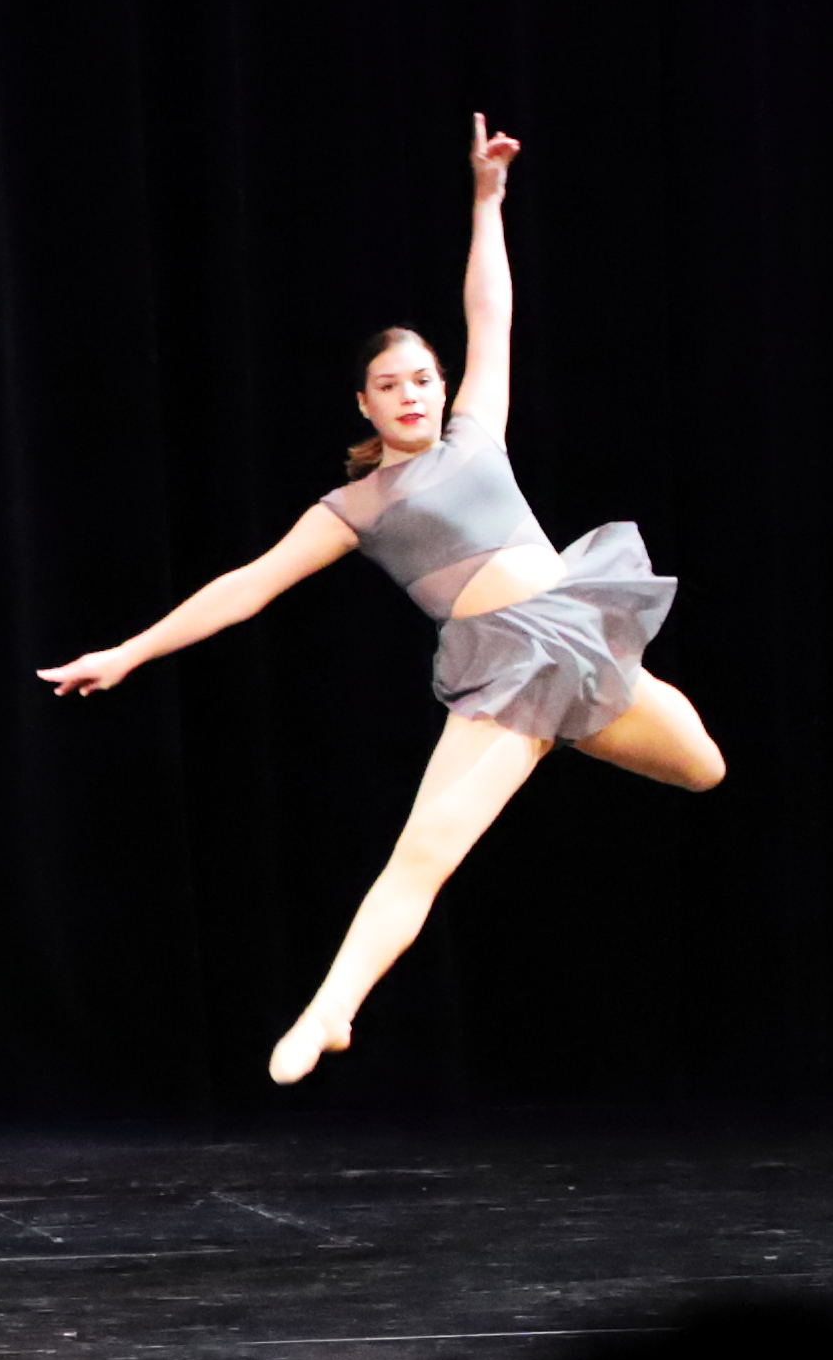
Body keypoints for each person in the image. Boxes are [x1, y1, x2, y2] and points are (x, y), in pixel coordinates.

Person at [40, 122, 720, 1082]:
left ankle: (572, 724)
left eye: (422, 380)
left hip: (584, 635)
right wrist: (128, 652)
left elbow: (491, 315)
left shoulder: (478, 434)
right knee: (424, 852)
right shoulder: (354, 508)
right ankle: (330, 1010)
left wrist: (487, 201)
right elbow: (246, 587)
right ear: (363, 404)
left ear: (440, 389)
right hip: (505, 674)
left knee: (705, 769)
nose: (411, 395)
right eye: (389, 386)